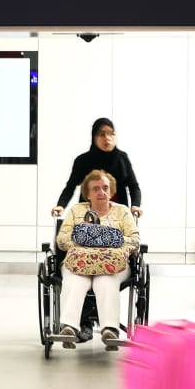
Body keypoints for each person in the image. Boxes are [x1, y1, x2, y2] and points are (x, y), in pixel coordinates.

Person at [56, 170, 140, 348]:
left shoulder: (122, 212)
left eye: (105, 188)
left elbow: (134, 240)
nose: (101, 192)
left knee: (106, 281)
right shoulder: (77, 210)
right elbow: (62, 239)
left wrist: (110, 243)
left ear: (111, 191)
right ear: (87, 194)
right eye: (95, 189)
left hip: (113, 263)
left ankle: (110, 329)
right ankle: (68, 328)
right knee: (75, 280)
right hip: (80, 261)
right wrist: (80, 245)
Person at [52, 117, 143, 219]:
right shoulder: (82, 160)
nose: (107, 138)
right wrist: (61, 205)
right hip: (89, 216)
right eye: (102, 134)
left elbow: (133, 186)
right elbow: (70, 187)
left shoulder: (122, 158)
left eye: (111, 134)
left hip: (118, 216)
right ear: (94, 137)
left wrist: (135, 205)